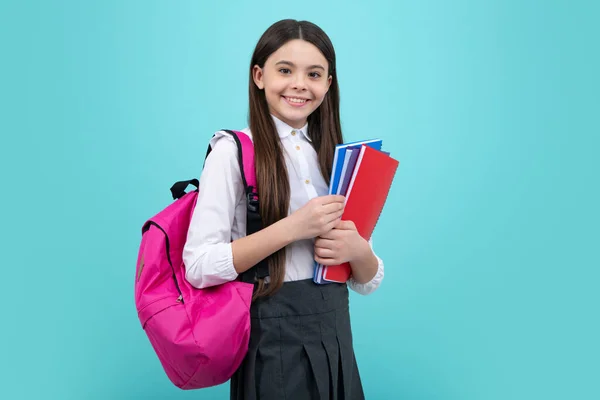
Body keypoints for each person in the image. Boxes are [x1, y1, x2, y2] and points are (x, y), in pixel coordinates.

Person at [182, 19, 384, 400]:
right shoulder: (232, 152)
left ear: (328, 83)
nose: (300, 84)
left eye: (314, 74)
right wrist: (293, 228)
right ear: (259, 76)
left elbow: (367, 281)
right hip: (270, 343)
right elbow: (199, 266)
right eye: (285, 70)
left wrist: (359, 251)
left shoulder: (337, 157)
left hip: (335, 337)